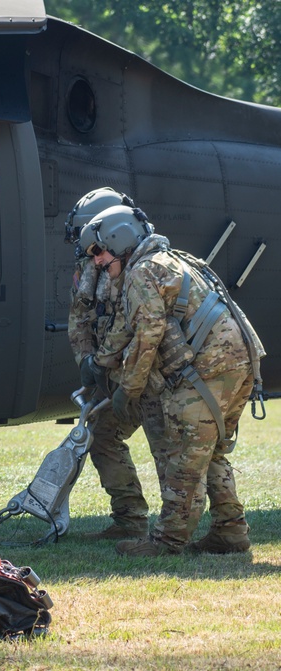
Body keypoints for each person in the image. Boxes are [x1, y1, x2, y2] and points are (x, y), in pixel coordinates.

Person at [79, 205, 265, 556]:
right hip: (237, 364)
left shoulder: (142, 272)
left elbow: (146, 334)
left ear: (120, 240)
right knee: (210, 453)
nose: (99, 263)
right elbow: (131, 324)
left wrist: (128, 389)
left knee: (184, 455)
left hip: (208, 371)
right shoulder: (168, 261)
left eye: (100, 252)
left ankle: (167, 540)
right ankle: (230, 531)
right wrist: (101, 360)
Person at [64, 188, 153, 540]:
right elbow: (79, 318)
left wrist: (105, 361)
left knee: (180, 448)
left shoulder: (144, 266)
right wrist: (86, 360)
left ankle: (203, 525)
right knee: (101, 436)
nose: (91, 254)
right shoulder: (89, 269)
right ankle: (130, 520)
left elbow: (142, 328)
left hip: (150, 373)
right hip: (115, 372)